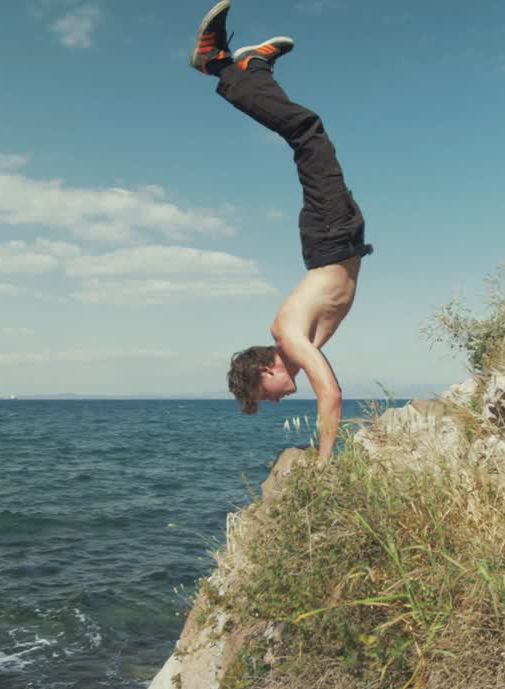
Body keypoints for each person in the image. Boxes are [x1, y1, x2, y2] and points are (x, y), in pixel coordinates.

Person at [190, 0, 372, 464]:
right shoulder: (292, 347)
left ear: (266, 367)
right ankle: (255, 69)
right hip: (336, 239)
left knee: (307, 133)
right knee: (307, 136)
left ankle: (221, 67)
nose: (272, 401)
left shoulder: (289, 339)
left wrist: (324, 464)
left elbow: (329, 395)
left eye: (262, 393)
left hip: (331, 237)